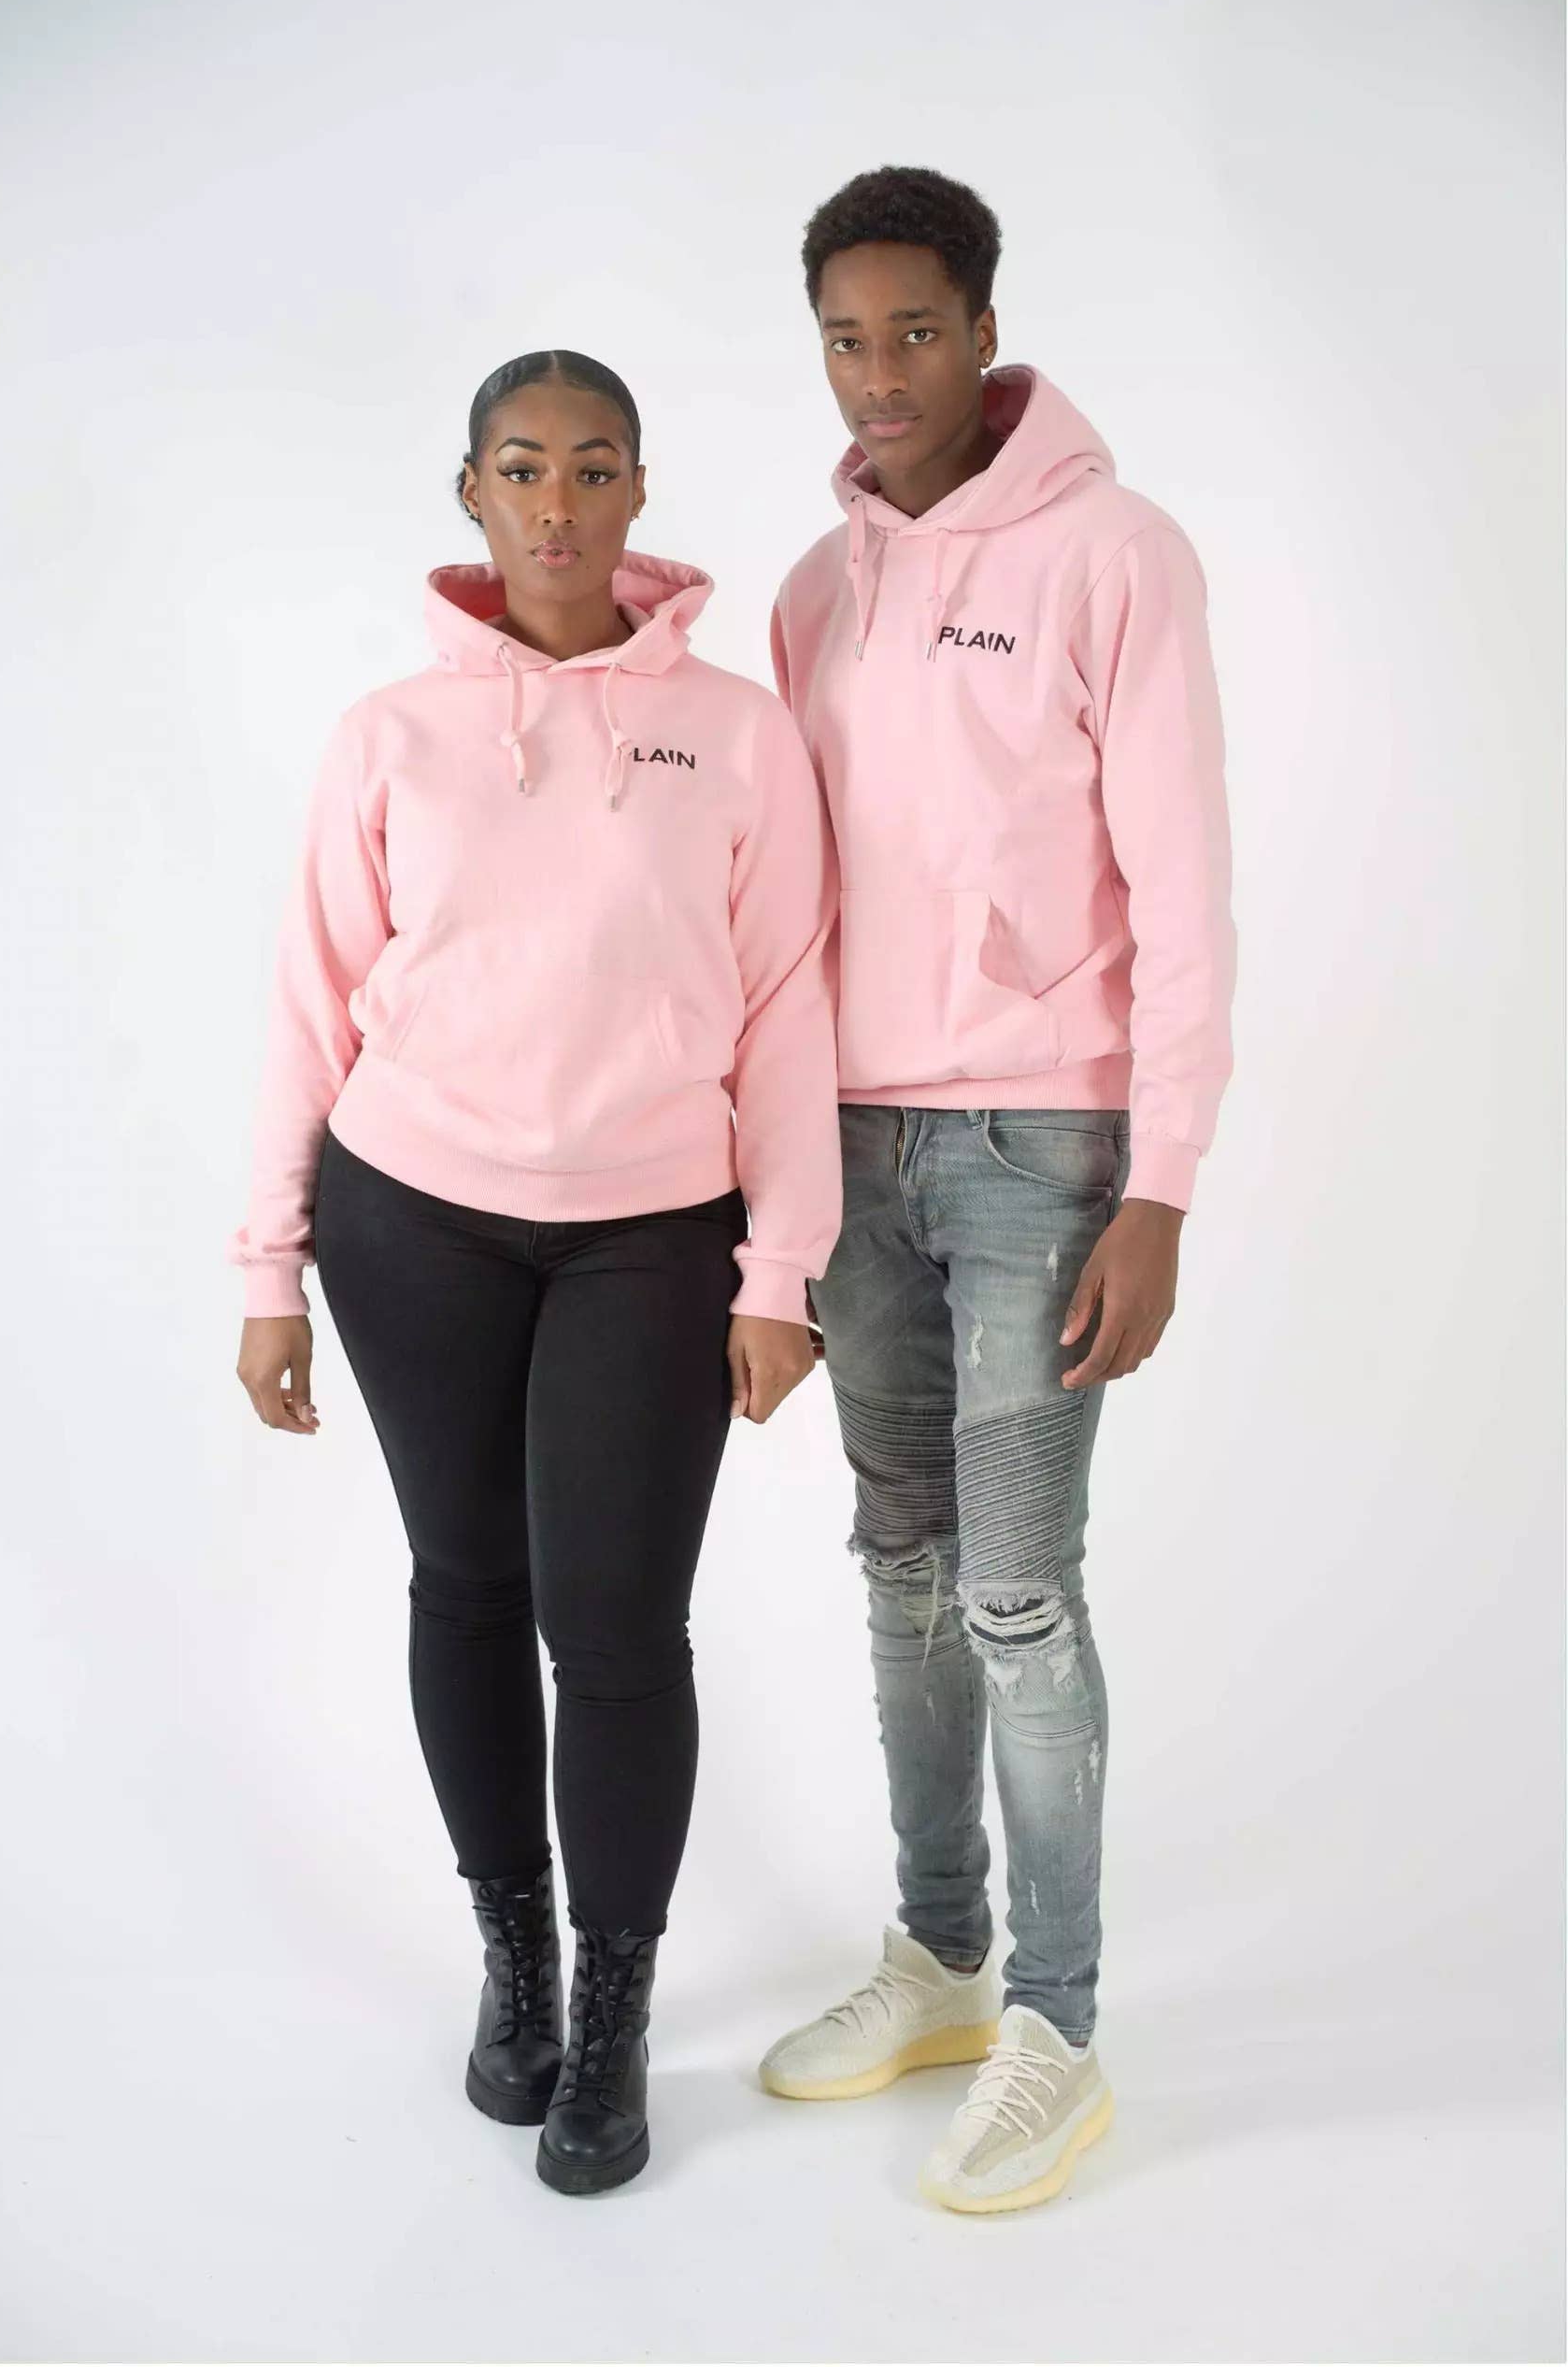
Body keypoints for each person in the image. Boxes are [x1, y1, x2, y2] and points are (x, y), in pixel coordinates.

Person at [229, 349, 840, 2196]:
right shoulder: (389, 735)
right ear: (472, 495)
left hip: (655, 1230)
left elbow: (786, 1004)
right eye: (520, 468)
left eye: (590, 466)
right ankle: (517, 1963)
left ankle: (617, 1999)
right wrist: (269, 1263)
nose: (556, 501)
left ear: (639, 490)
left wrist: (782, 1269)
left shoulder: (735, 731)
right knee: (470, 1585)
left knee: (619, 1626)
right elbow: (310, 1003)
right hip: (412, 1212)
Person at [757, 168, 1235, 2214]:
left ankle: (1057, 2022)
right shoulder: (813, 590)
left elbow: (1186, 884)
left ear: (982, 330)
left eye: (914, 331)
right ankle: (941, 1958)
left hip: (1043, 1151)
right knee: (899, 1571)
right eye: (844, 339)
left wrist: (1163, 1183)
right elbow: (776, 915)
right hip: (850, 1148)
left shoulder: (1115, 554)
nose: (880, 375)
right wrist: (769, 1194)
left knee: (1016, 1591)